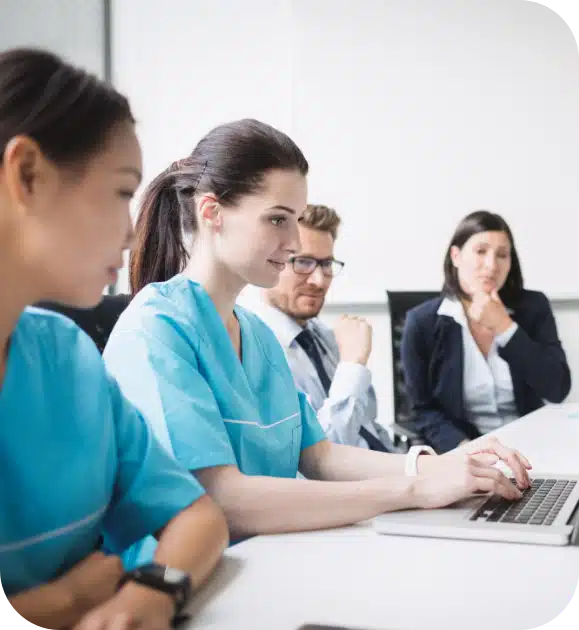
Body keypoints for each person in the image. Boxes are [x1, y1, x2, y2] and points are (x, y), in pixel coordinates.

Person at [103, 119, 531, 563]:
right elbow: (219, 498)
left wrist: (443, 463)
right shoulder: (156, 330)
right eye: (277, 220)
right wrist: (415, 488)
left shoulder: (255, 334)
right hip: (180, 586)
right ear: (211, 213)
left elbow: (319, 456)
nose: (292, 244)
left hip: (270, 560)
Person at [0, 49, 228, 630]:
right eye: (123, 192)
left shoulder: (67, 357)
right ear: (28, 175)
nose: (131, 234)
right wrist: (52, 605)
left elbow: (199, 516)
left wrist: (149, 593)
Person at [401, 210, 571, 453]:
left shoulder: (533, 307)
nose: (491, 266)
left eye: (502, 255)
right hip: (464, 452)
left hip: (532, 447)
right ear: (456, 256)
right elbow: (422, 410)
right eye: (480, 251)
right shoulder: (422, 322)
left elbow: (557, 389)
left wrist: (505, 327)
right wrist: (468, 451)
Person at [250, 203, 394, 452]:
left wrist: (411, 463)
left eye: (326, 264)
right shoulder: (256, 348)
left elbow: (369, 428)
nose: (319, 281)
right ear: (270, 261)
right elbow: (320, 459)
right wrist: (352, 366)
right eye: (303, 262)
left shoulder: (326, 337)